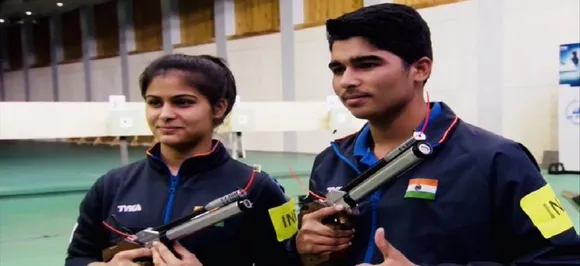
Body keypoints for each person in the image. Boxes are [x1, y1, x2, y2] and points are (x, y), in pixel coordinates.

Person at [291, 3, 580, 266]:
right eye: (338, 69)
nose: (347, 81)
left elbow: (562, 259)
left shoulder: (498, 161)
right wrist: (304, 250)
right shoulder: (330, 162)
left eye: (366, 65)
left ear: (419, 69)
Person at [65, 54, 298, 266]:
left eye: (183, 102)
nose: (165, 114)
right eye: (154, 102)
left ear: (218, 108)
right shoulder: (111, 186)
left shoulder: (256, 188)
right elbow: (78, 257)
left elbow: (289, 262)